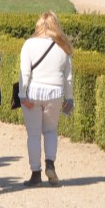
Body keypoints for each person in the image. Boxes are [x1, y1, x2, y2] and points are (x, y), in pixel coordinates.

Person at [19, 11, 75, 187]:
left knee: (33, 134)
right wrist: (69, 98)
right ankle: (50, 164)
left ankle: (35, 173)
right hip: (55, 93)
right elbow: (68, 78)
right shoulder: (63, 47)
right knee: (50, 131)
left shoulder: (29, 44)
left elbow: (25, 73)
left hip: (34, 93)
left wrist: (22, 95)